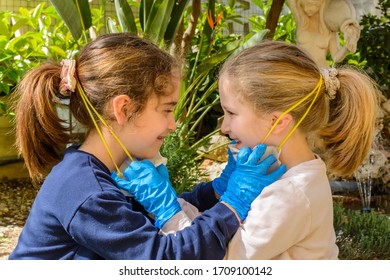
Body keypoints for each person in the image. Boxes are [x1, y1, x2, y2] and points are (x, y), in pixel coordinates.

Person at [9, 33, 286, 260]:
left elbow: (153, 223)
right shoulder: (89, 193)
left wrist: (215, 192)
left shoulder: (98, 172)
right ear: (124, 109)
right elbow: (170, 261)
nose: (173, 124)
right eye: (166, 110)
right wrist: (232, 205)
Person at [147, 40, 380, 259]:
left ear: (278, 122)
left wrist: (167, 210)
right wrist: (180, 204)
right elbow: (214, 236)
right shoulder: (281, 176)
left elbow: (215, 258)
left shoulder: (290, 195)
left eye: (231, 113)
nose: (224, 127)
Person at [287, 0, 360, 68]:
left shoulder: (329, 30)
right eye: (303, 6)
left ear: (321, 4)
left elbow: (336, 58)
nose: (306, 9)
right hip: (300, 69)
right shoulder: (302, 22)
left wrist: (347, 46)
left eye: (310, 5)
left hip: (320, 72)